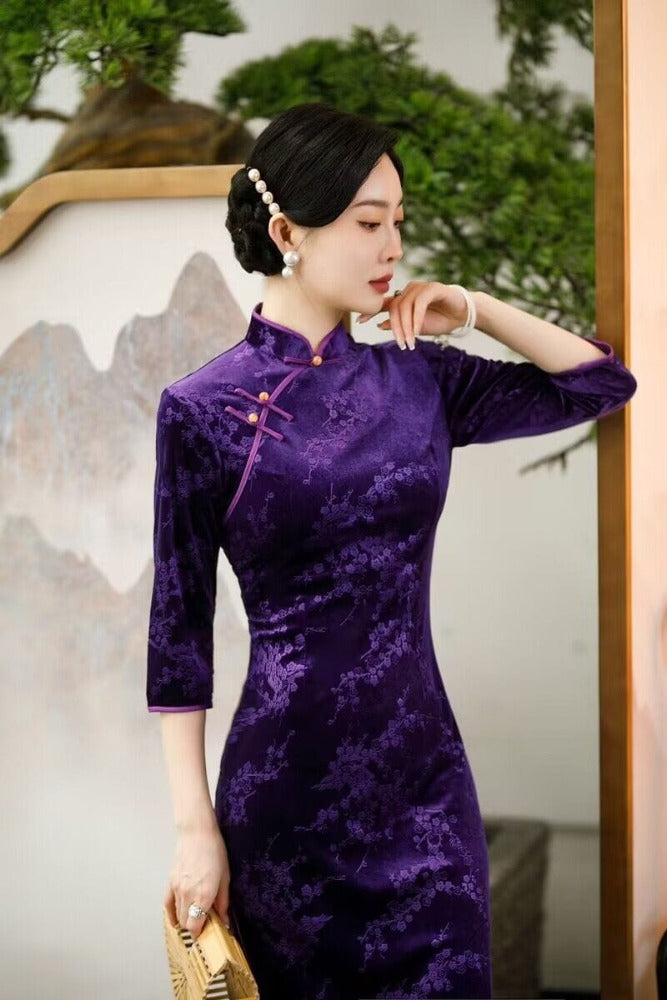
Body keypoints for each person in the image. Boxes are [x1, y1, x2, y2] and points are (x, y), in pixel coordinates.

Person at [146, 101, 637, 999]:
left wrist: (474, 308)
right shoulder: (203, 411)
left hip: (425, 793)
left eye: (398, 223)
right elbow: (177, 637)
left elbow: (600, 383)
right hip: (283, 801)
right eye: (369, 223)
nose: (393, 247)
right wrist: (194, 828)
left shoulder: (420, 379)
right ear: (288, 232)